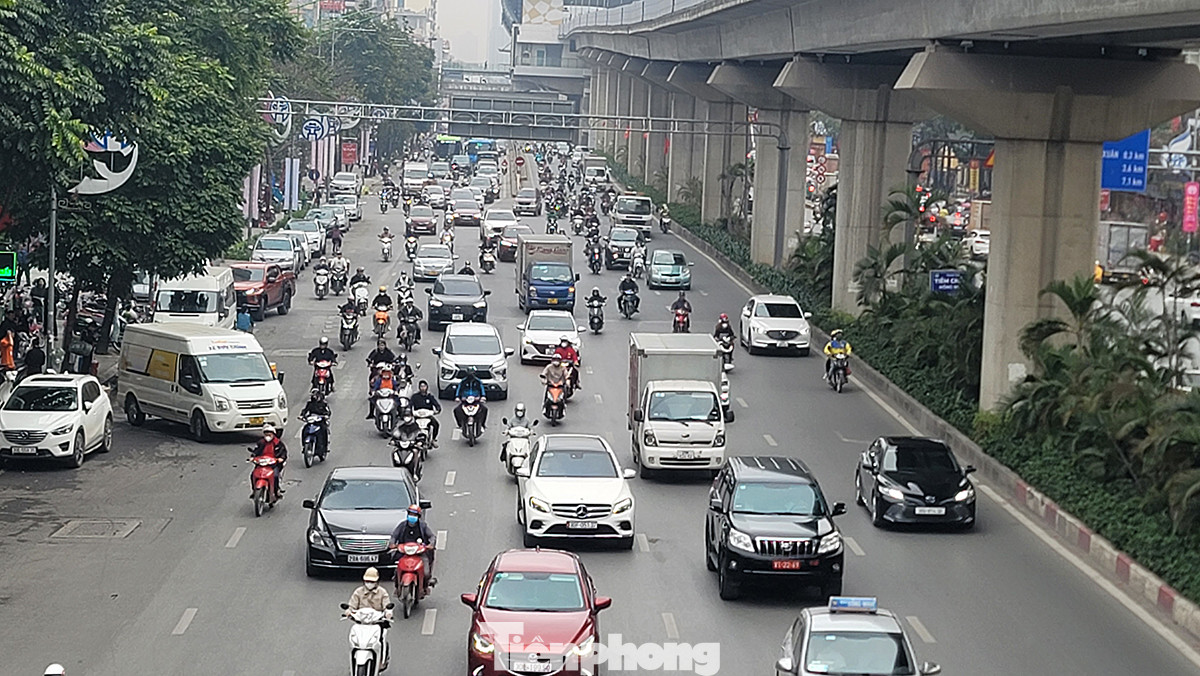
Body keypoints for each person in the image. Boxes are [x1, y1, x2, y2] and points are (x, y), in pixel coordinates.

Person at [388, 505, 437, 594]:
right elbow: (394, 536)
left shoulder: (423, 526)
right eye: (410, 514)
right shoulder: (402, 526)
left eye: (414, 515)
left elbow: (431, 536)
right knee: (396, 571)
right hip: (404, 552)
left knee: (426, 573)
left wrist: (431, 544)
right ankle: (397, 586)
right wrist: (392, 543)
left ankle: (424, 587)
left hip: (420, 553)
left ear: (418, 517)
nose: (412, 517)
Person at [250, 424, 287, 499]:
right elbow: (256, 451)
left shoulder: (278, 443)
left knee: (275, 476)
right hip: (262, 463)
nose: (268, 436)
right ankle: (254, 491)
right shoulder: (261, 442)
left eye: (269, 434)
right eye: (266, 434)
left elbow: (283, 453)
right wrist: (253, 457)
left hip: (273, 464)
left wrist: (281, 458)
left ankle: (276, 492)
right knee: (252, 475)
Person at [411, 380, 442, 446]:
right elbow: (410, 405)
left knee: (436, 424)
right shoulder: (415, 397)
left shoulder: (430, 397)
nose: (423, 388)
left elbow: (436, 405)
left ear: (427, 387)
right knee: (410, 426)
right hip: (418, 416)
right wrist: (409, 411)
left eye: (424, 386)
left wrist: (437, 410)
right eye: (421, 386)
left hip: (428, 416)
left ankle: (433, 439)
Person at [301, 389, 332, 455]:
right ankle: (304, 446)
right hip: (312, 421)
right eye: (313, 396)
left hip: (320, 422)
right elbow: (305, 410)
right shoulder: (310, 404)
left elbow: (328, 412)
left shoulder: (324, 404)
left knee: (324, 430)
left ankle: (324, 447)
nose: (315, 397)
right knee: (304, 430)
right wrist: (303, 415)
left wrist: (325, 415)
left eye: (316, 396)